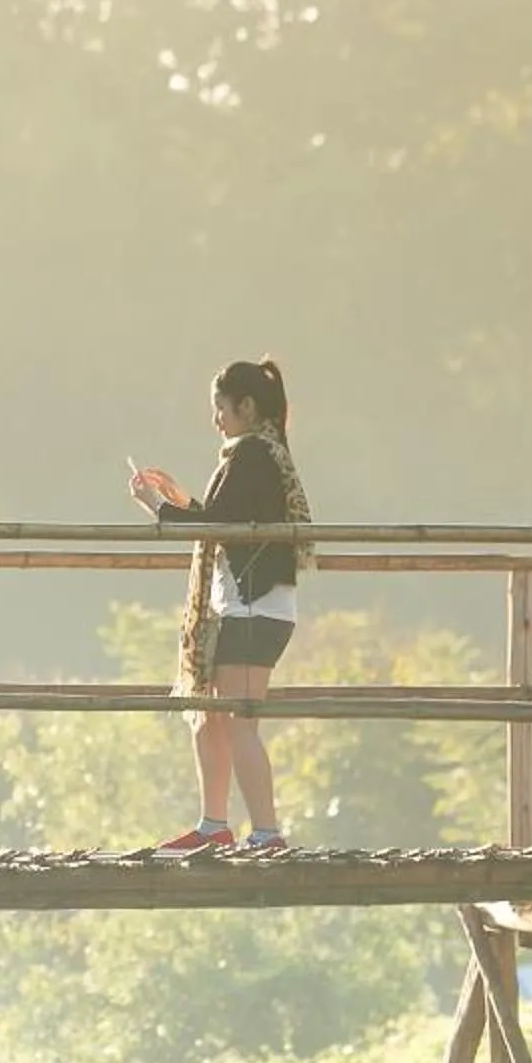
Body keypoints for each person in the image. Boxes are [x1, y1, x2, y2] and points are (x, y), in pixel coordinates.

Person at [130, 357, 313, 854]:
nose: (216, 419)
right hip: (243, 607)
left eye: (220, 408)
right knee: (210, 713)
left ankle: (268, 833)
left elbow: (218, 526)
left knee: (240, 720)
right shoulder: (253, 456)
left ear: (246, 408)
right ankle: (215, 825)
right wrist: (181, 502)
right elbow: (223, 519)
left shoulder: (252, 456)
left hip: (254, 609)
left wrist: (158, 508)